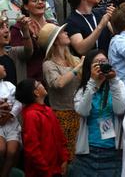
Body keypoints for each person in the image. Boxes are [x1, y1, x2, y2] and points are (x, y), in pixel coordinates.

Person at [71, 49, 125, 176]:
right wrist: (93, 83)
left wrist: (113, 80)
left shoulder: (117, 85)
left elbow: (119, 110)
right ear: (89, 67)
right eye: (97, 63)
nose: (101, 65)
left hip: (113, 153)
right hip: (88, 153)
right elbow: (83, 112)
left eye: (104, 62)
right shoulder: (82, 90)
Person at [39, 23, 83, 162]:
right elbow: (59, 83)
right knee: (65, 159)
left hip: (80, 114)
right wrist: (79, 67)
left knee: (80, 156)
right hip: (61, 117)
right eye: (62, 32)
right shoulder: (49, 64)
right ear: (56, 40)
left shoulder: (74, 60)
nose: (66, 33)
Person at [15, 78, 69, 177]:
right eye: (38, 84)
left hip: (56, 168)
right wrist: (46, 171)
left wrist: (64, 159)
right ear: (36, 92)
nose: (41, 83)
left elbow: (60, 137)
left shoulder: (48, 110)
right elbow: (32, 149)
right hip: (42, 172)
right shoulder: (31, 115)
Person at [0, 58, 21, 177]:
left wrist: (10, 114)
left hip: (11, 123)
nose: (3, 66)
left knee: (12, 151)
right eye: (0, 65)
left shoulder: (9, 85)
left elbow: (18, 102)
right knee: (1, 149)